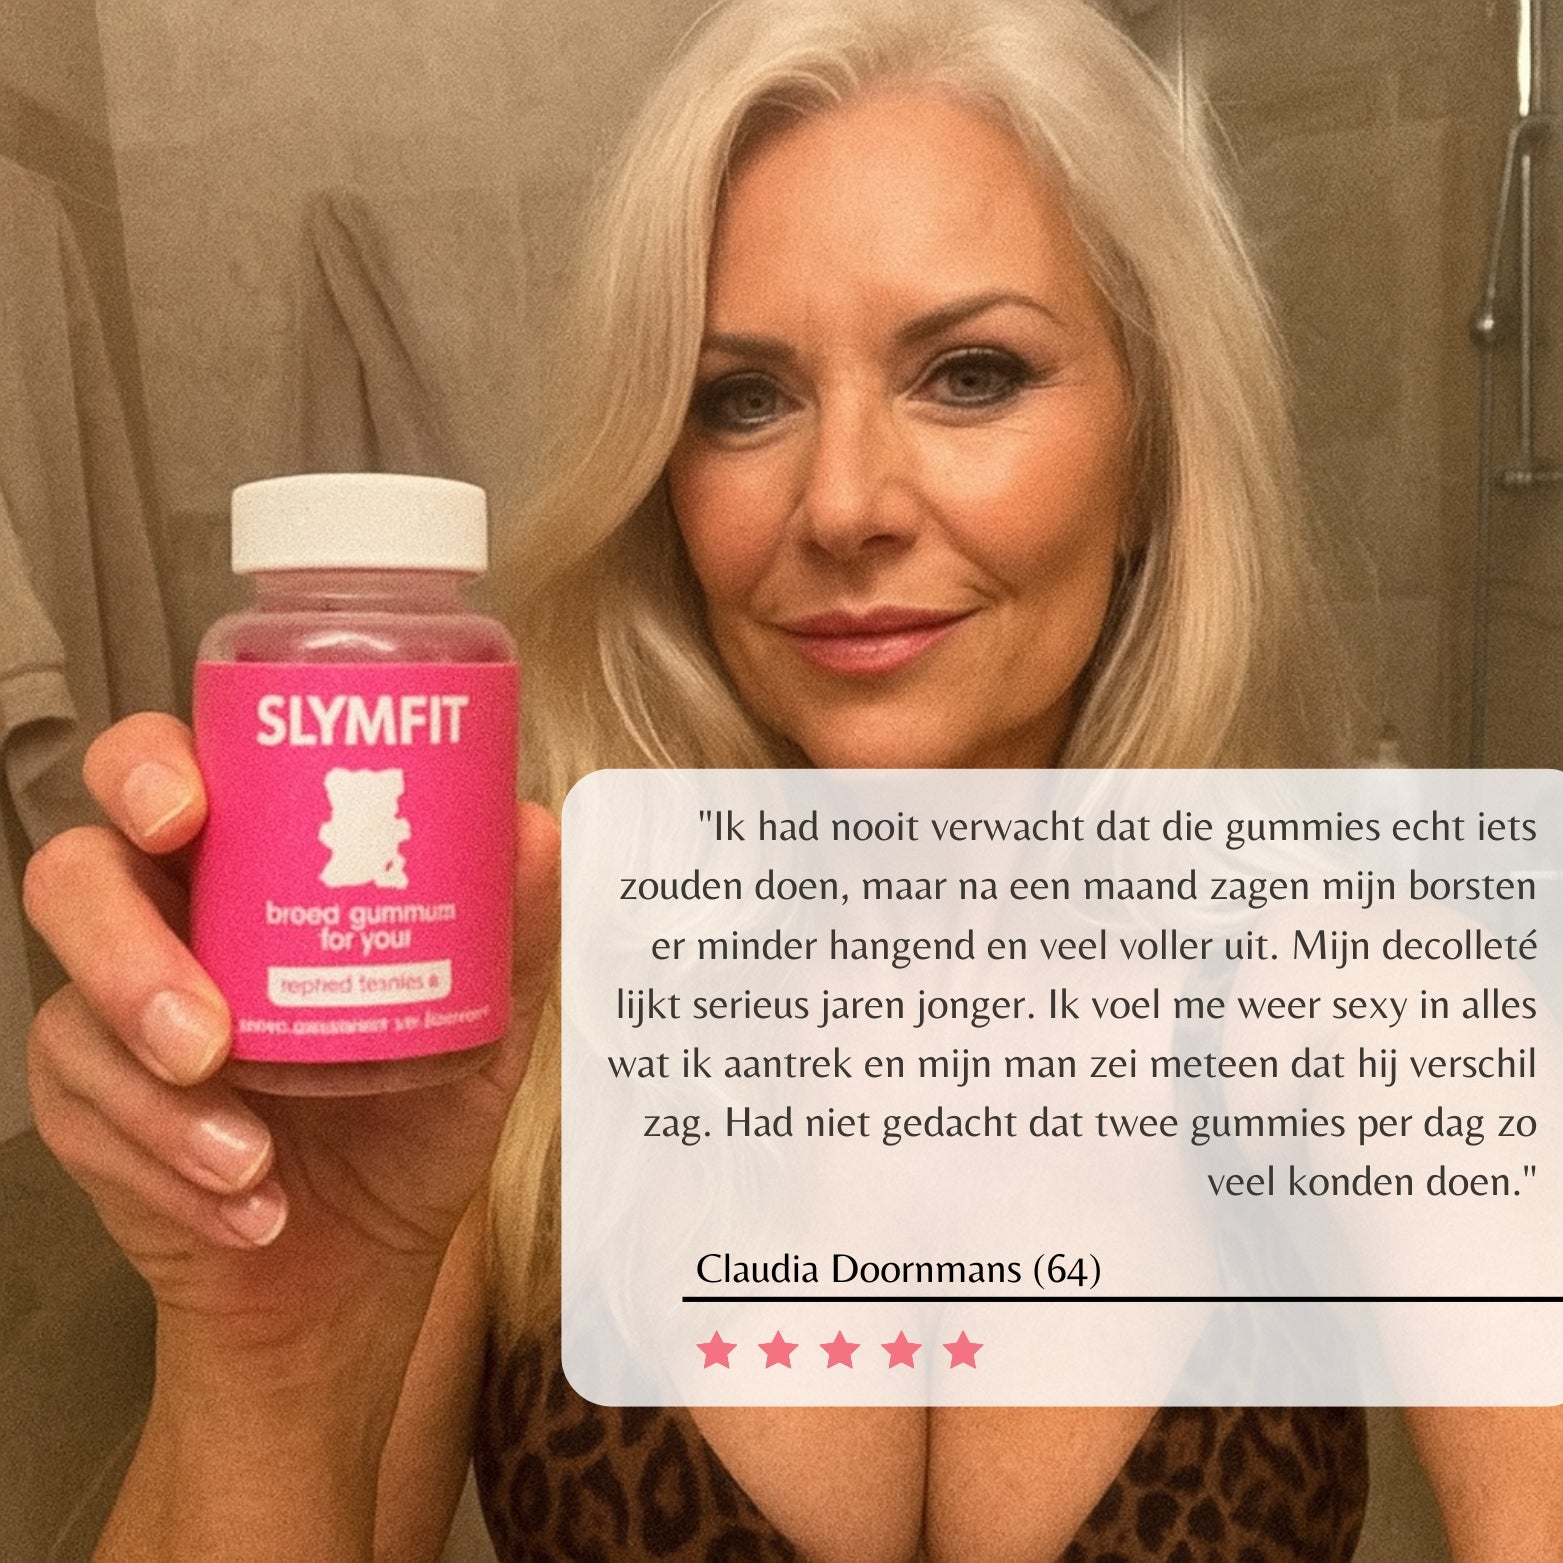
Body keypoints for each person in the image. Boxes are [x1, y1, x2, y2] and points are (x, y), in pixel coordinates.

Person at [21, 0, 1561, 1559]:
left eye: (971, 373)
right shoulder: (512, 996)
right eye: (742, 400)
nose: (839, 505)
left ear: (1152, 454)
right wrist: (268, 1349)